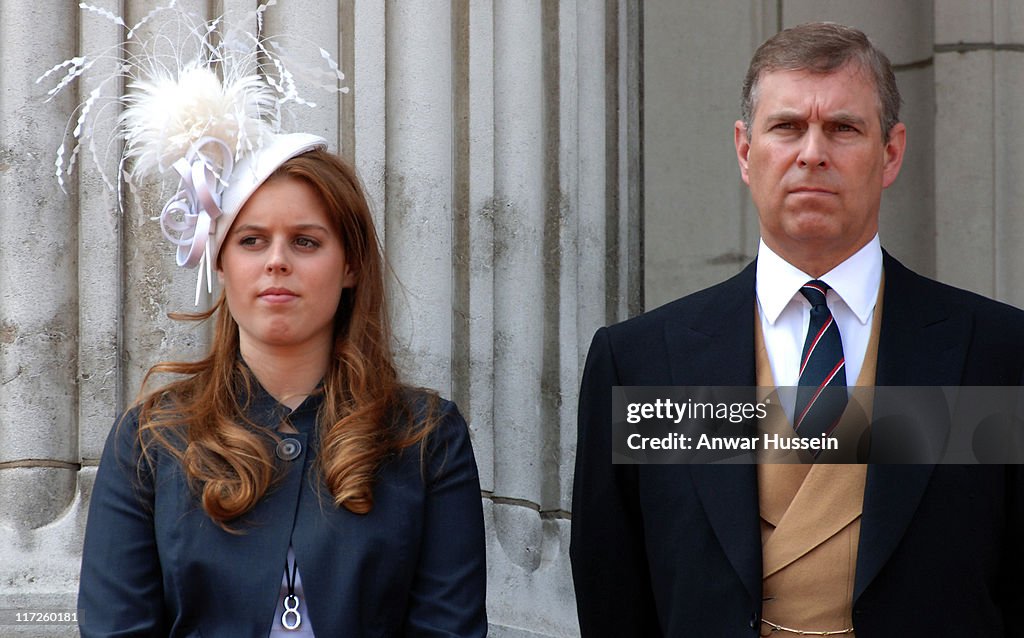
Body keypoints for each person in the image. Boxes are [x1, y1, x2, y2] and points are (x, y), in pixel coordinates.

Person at [571, 22, 1024, 637]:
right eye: (786, 127)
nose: (813, 152)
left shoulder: (998, 355)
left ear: (891, 153)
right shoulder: (644, 363)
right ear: (744, 150)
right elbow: (614, 595)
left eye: (843, 128)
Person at [78, 134, 488, 636]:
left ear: (351, 266)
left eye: (305, 241)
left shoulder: (427, 437)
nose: (277, 260)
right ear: (221, 262)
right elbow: (117, 626)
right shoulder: (150, 438)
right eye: (251, 240)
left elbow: (448, 627)